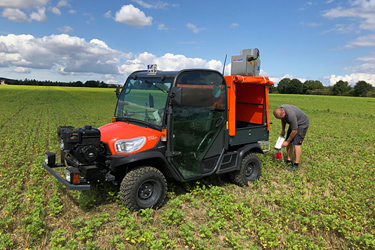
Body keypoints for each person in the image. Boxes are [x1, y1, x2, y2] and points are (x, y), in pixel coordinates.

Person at [273, 105, 309, 171]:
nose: (280, 119)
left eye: (280, 117)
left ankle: (296, 164)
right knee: (289, 141)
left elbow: (294, 130)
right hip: (294, 123)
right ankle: (289, 160)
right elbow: (283, 119)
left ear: (283, 113)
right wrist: (283, 130)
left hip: (302, 124)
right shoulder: (280, 109)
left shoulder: (291, 115)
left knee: (296, 143)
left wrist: (287, 142)